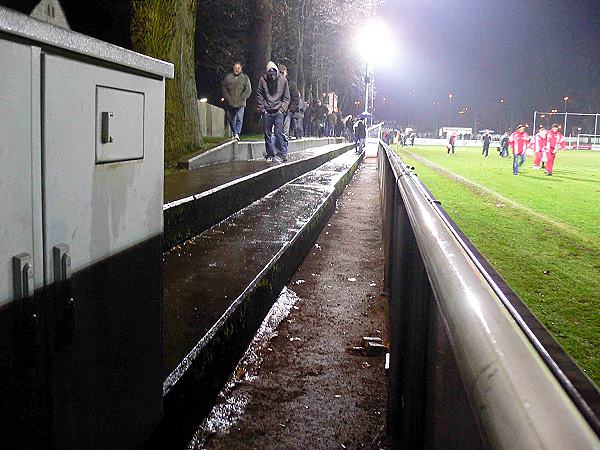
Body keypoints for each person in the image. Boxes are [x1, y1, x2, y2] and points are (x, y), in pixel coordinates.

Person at [256, 61, 290, 163]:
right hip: (267, 110)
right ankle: (270, 154)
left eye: (274, 74)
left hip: (278, 110)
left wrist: (282, 110)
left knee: (278, 133)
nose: (272, 77)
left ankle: (281, 154)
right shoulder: (263, 81)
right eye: (270, 75)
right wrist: (263, 108)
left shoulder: (283, 81)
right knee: (267, 134)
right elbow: (259, 94)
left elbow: (286, 97)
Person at [222, 61, 252, 140]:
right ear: (233, 68)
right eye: (236, 68)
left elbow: (248, 89)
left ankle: (237, 133)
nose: (237, 69)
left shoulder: (245, 78)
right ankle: (234, 132)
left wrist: (242, 98)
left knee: (239, 118)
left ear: (241, 68)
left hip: (241, 102)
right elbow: (224, 88)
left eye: (238, 68)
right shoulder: (228, 77)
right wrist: (227, 97)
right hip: (230, 102)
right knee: (231, 119)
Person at [277, 64, 300, 139]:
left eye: (282, 73)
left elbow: (296, 98)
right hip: (277, 109)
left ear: (286, 72)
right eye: (279, 73)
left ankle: (283, 149)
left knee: (285, 132)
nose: (281, 74)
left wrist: (291, 109)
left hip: (287, 110)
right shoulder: (274, 83)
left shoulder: (292, 84)